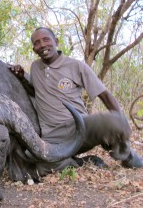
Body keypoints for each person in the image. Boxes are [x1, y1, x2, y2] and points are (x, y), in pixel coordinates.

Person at [9, 27, 142, 172]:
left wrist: (121, 121)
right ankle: (79, 162)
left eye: (46, 39)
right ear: (34, 49)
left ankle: (127, 155)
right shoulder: (35, 67)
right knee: (36, 166)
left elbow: (104, 95)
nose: (42, 45)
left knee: (114, 121)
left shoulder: (76, 65)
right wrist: (22, 78)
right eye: (37, 43)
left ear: (56, 41)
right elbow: (36, 92)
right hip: (52, 136)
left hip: (79, 125)